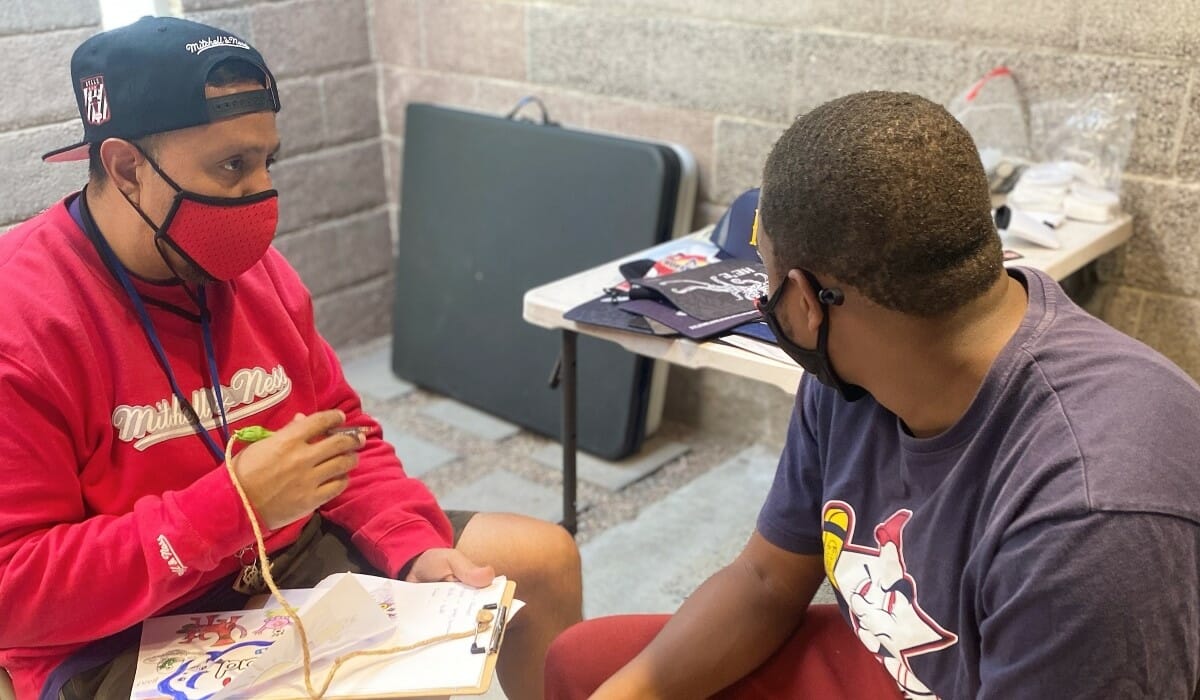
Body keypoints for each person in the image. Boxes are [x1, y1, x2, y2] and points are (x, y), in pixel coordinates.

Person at [543, 91, 1200, 699]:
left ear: (804, 300)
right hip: (910, 660)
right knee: (584, 662)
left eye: (762, 271)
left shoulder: (1093, 520)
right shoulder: (857, 372)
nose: (760, 295)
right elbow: (768, 578)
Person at [0, 16, 580, 700]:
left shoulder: (255, 274)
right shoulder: (25, 322)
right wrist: (230, 508)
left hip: (284, 560)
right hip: (119, 632)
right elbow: (16, 589)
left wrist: (410, 543)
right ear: (127, 168)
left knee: (540, 560)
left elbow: (344, 436)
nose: (260, 193)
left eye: (267, 161)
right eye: (232, 166)